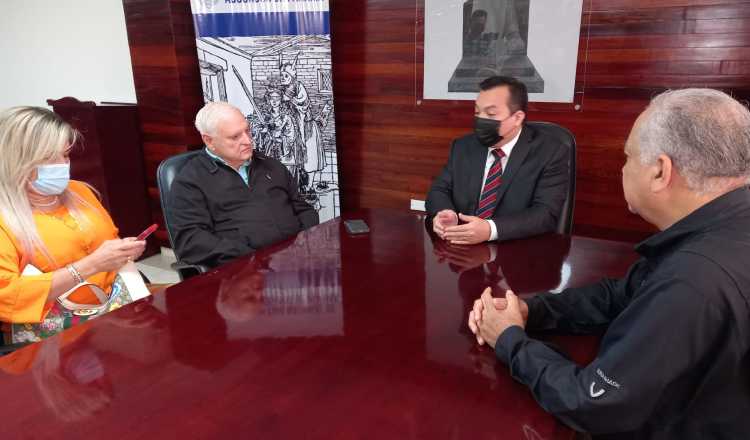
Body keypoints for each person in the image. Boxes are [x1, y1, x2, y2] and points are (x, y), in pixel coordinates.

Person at [468, 88, 750, 438]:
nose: (623, 167)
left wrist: (508, 339)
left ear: (661, 171)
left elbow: (593, 404)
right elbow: (624, 295)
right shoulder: (726, 225)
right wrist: (530, 310)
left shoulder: (696, 281)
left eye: (628, 157)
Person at [0, 107, 146, 343]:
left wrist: (123, 252)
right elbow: (7, 296)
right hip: (54, 335)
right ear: (18, 160)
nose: (62, 165)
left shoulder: (80, 192)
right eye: (50, 158)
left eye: (66, 155)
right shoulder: (5, 218)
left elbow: (110, 241)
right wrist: (90, 265)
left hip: (115, 309)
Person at [168, 101, 319, 269]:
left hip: (296, 259)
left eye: (247, 131)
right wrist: (251, 257)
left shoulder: (271, 166)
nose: (247, 141)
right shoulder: (190, 181)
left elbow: (303, 209)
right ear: (209, 141)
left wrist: (304, 242)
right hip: (243, 271)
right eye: (235, 137)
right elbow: (191, 240)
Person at [426, 75, 569, 245]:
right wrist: (445, 213)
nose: (481, 119)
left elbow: (546, 213)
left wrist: (490, 229)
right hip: (462, 251)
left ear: (517, 118)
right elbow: (439, 190)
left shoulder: (550, 151)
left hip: (518, 253)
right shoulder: (463, 146)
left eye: (491, 113)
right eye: (477, 112)